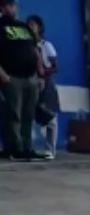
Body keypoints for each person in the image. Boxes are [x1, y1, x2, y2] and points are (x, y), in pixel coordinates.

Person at [0, 0, 41, 160]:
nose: (13, 8)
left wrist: (40, 74)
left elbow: (34, 50)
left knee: (28, 115)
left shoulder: (23, 27)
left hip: (31, 77)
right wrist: (2, 74)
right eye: (9, 5)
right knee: (14, 115)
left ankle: (27, 147)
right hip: (12, 77)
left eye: (14, 5)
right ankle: (16, 148)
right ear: (2, 8)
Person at [26, 14, 57, 159]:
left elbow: (56, 67)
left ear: (39, 27)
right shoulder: (26, 46)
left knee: (50, 116)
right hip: (30, 82)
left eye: (33, 25)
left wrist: (44, 75)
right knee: (29, 116)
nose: (30, 27)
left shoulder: (46, 45)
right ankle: (28, 147)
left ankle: (50, 149)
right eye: (29, 25)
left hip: (45, 83)